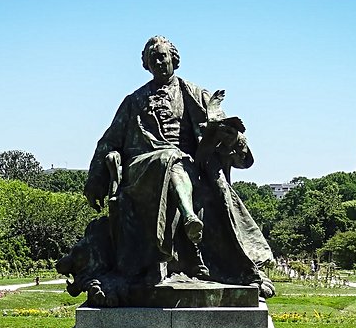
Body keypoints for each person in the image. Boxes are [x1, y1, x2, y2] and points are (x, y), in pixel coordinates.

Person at [81, 36, 273, 298]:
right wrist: (95, 180)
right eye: (153, 58)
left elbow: (240, 148)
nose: (159, 61)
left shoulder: (196, 94)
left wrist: (231, 136)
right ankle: (188, 220)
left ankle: (222, 259)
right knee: (166, 157)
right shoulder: (133, 101)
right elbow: (109, 141)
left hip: (191, 168)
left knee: (186, 169)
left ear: (174, 59)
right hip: (143, 169)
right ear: (146, 65)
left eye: (163, 56)